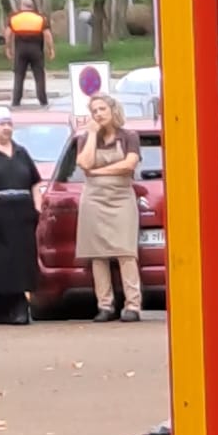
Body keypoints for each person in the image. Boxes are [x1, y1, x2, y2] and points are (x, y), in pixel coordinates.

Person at [75, 95, 143, 321]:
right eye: (94, 111)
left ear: (113, 110)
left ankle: (133, 305)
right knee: (98, 254)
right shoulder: (86, 138)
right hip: (94, 198)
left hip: (121, 196)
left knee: (126, 251)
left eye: (102, 109)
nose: (98, 114)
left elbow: (129, 164)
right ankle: (105, 305)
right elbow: (84, 163)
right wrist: (92, 133)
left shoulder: (129, 137)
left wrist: (99, 172)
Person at [0, 106, 43, 324]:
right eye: (2, 124)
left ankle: (19, 308)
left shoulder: (21, 151)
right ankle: (1, 309)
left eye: (9, 124)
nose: (7, 128)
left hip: (23, 214)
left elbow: (35, 181)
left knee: (22, 261)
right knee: (0, 262)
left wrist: (37, 206)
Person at [3, 0, 53, 107]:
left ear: (22, 6)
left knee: (19, 75)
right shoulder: (40, 18)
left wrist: (7, 48)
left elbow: (7, 34)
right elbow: (47, 35)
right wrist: (51, 49)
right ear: (32, 7)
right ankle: (43, 101)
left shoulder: (14, 18)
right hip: (36, 50)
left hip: (21, 50)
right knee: (39, 76)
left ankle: (16, 101)